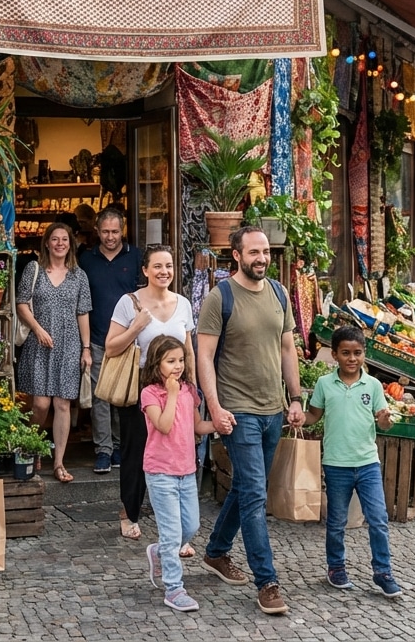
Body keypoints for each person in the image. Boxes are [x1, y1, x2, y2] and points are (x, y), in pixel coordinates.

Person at [196, 226, 303, 615]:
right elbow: (203, 356)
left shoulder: (279, 292)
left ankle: (216, 552)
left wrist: (294, 397)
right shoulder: (219, 298)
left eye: (265, 251)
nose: (261, 257)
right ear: (236, 255)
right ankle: (267, 582)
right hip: (238, 412)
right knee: (256, 493)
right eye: (253, 252)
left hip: (274, 409)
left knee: (246, 487)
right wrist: (215, 406)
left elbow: (287, 347)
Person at [302, 326, 403, 597]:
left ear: (364, 354)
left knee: (379, 519)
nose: (352, 358)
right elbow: (314, 415)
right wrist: (300, 417)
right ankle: (336, 567)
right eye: (345, 353)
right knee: (336, 521)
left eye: (357, 353)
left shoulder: (372, 385)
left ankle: (383, 572)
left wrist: (384, 421)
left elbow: (383, 422)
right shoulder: (324, 384)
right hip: (336, 464)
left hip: (368, 462)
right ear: (334, 354)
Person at [104, 244, 194, 541]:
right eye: (157, 266)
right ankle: (129, 511)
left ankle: (171, 515)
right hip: (141, 385)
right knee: (137, 451)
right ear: (145, 270)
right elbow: (111, 346)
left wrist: (192, 385)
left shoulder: (182, 303)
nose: (164, 272)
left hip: (176, 387)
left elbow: (188, 350)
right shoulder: (128, 303)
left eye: (168, 266)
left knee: (174, 447)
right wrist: (136, 327)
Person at [139, 335, 214, 612]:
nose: (178, 366)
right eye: (171, 361)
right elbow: (165, 425)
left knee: (191, 526)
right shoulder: (150, 394)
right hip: (160, 472)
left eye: (181, 360)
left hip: (186, 470)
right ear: (156, 363)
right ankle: (174, 588)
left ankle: (159, 552)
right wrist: (170, 393)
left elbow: (197, 426)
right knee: (171, 534)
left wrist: (219, 423)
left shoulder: (188, 391)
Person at [16, 223, 93, 483]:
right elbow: (21, 304)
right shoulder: (33, 269)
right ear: (47, 243)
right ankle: (31, 446)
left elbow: (83, 313)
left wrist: (86, 348)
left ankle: (59, 463)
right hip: (39, 343)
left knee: (63, 404)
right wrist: (37, 329)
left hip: (69, 345)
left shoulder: (79, 275)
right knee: (40, 404)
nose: (60, 243)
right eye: (55, 239)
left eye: (65, 239)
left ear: (70, 244)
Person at [77, 208, 143, 475]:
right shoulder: (86, 259)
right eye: (105, 232)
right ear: (97, 230)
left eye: (115, 231)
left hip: (128, 339)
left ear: (123, 229)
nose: (110, 237)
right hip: (96, 338)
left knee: (124, 396)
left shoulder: (136, 257)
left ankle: (119, 446)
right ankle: (103, 450)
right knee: (100, 397)